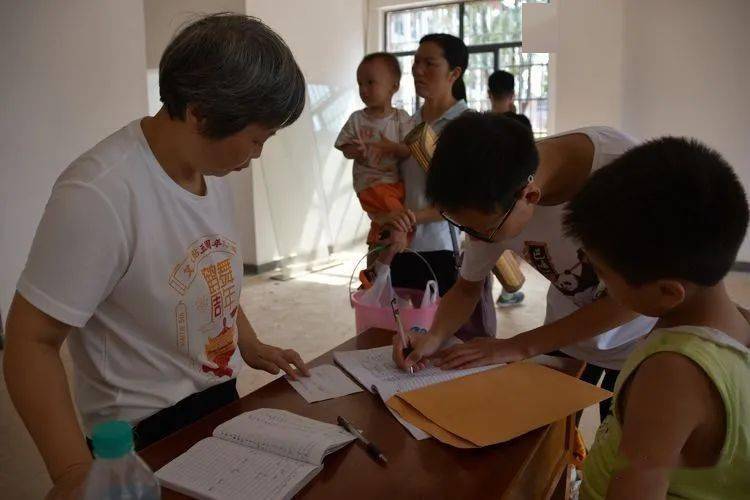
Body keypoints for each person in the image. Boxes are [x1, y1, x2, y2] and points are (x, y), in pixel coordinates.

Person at [4, 14, 311, 498]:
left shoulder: (211, 170)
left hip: (217, 399)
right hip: (140, 433)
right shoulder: (100, 192)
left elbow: (210, 269)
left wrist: (246, 341)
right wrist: (70, 472)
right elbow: (29, 342)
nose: (258, 154)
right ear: (200, 113)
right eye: (256, 138)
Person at [392, 113, 657, 419]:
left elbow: (635, 300)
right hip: (565, 334)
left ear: (530, 196)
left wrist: (518, 346)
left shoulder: (627, 180)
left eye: (481, 232)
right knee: (549, 439)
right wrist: (433, 337)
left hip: (642, 344)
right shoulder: (489, 185)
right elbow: (467, 288)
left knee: (622, 448)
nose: (475, 239)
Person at [563, 137, 750, 498]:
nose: (600, 284)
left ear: (667, 292)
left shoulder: (671, 373)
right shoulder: (736, 323)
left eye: (603, 273)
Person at [375, 33, 496, 339]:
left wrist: (413, 216)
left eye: (430, 63)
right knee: (402, 337)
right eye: (416, 62)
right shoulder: (406, 123)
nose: (418, 70)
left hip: (446, 252)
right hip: (402, 247)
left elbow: (469, 201)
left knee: (448, 343)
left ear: (455, 73)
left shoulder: (469, 127)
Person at [335, 52, 413, 264]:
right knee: (400, 218)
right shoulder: (358, 119)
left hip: (394, 183)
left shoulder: (401, 118)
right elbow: (344, 146)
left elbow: (409, 150)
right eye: (360, 83)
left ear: (393, 87)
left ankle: (376, 253)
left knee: (389, 220)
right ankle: (385, 258)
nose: (364, 89)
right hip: (371, 184)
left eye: (370, 82)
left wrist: (393, 147)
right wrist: (356, 150)